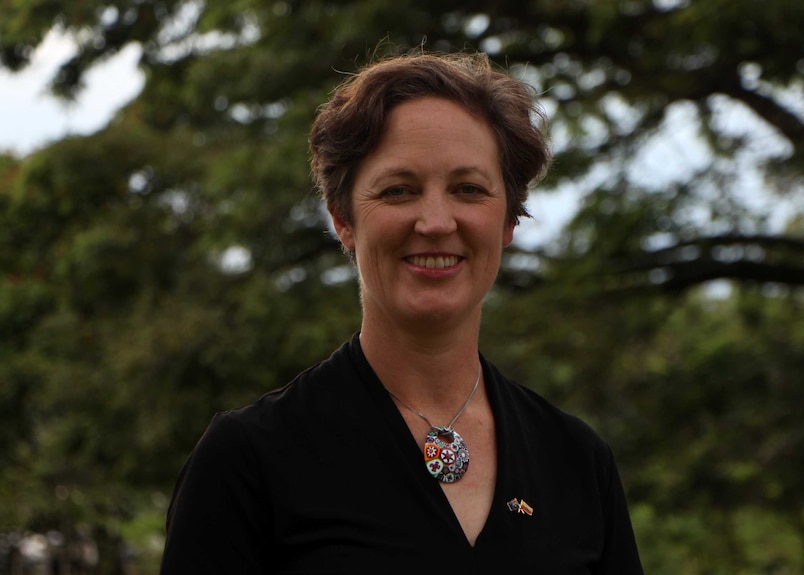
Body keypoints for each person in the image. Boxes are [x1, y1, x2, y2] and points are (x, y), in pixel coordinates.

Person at [160, 51, 644, 574]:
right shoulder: (249, 460)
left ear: (509, 219)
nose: (436, 222)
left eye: (468, 189)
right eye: (398, 191)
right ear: (343, 219)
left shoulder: (576, 461)